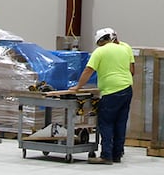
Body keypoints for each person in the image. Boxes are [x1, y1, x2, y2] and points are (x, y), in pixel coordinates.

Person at [54, 26, 135, 165]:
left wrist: (78, 87)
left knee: (106, 123)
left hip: (111, 91)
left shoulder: (100, 52)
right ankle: (117, 154)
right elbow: (132, 70)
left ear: (100, 41)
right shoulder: (125, 48)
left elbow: (88, 70)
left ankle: (106, 156)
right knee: (120, 123)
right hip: (127, 89)